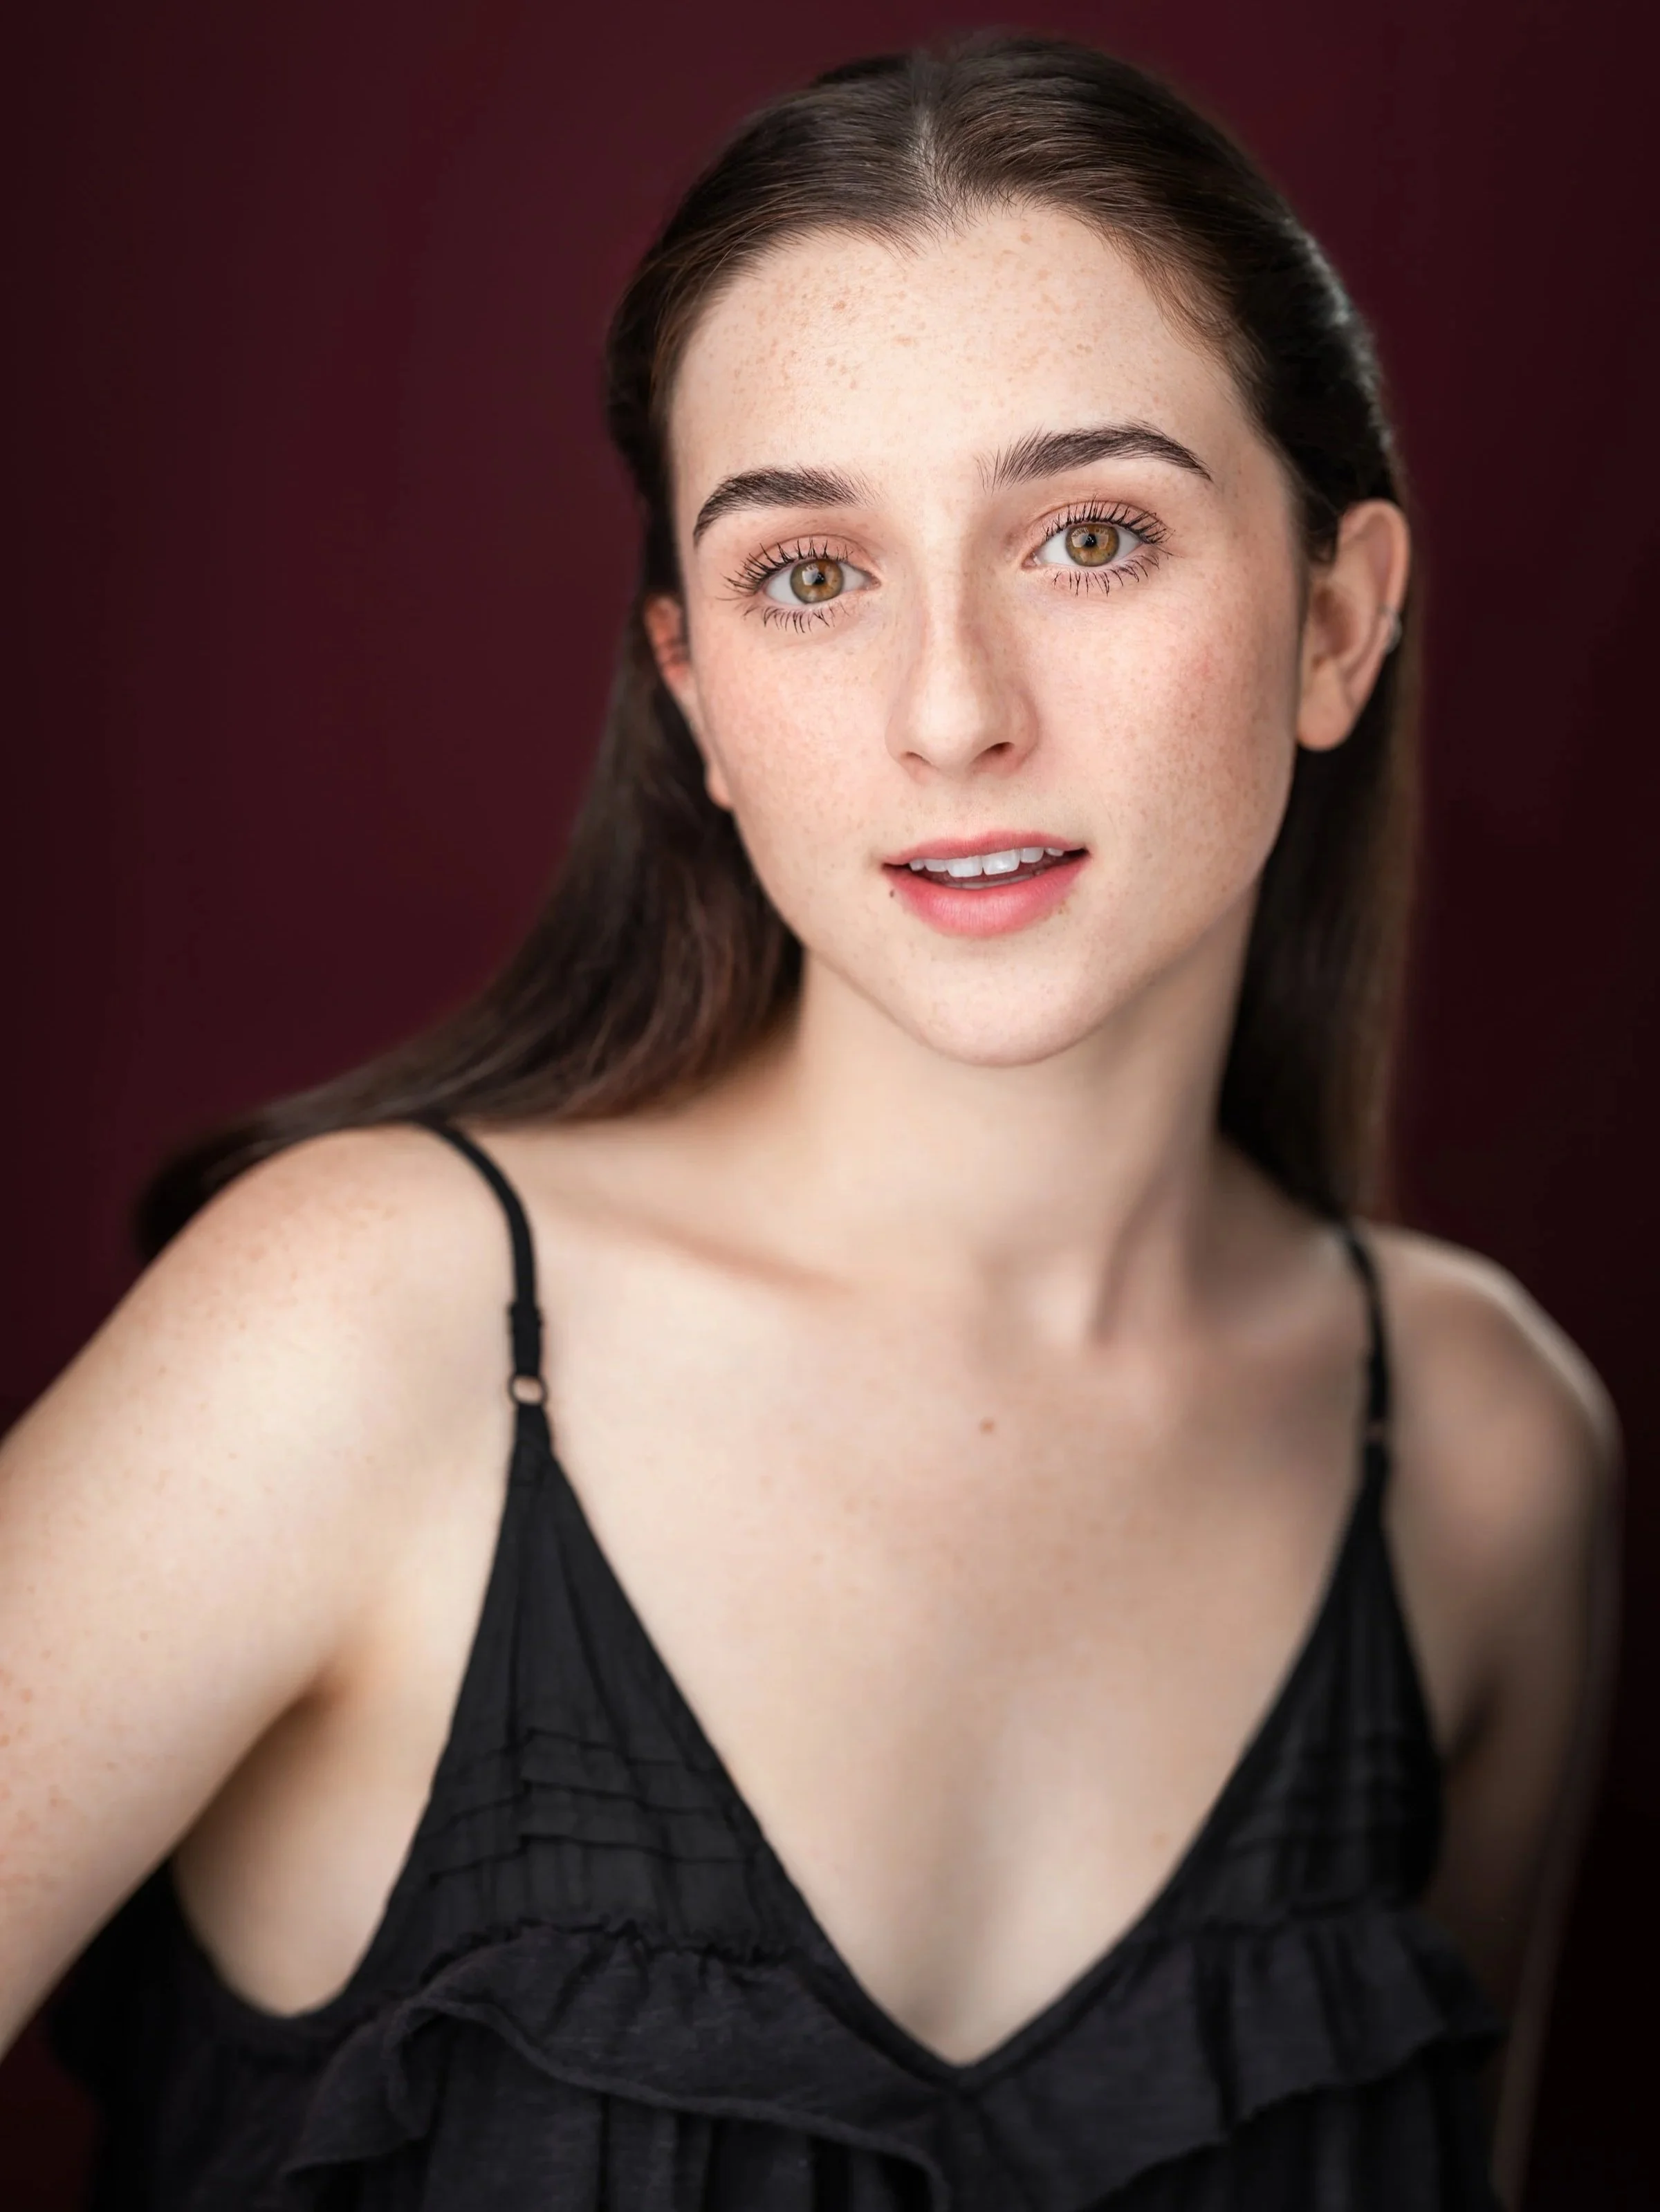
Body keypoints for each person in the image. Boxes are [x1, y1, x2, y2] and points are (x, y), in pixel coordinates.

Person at [0, 34, 1618, 2211]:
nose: (953, 708)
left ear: (1335, 622)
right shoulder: (362, 1329)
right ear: (696, 696)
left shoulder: (1486, 1455)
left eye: (1096, 534)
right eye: (809, 573)